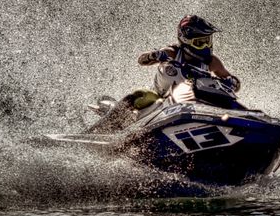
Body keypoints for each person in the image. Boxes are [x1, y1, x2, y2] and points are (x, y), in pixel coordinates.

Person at [87, 15, 240, 133]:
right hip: (162, 101)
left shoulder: (212, 62)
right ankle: (98, 130)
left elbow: (233, 81)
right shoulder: (172, 53)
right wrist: (155, 55)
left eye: (208, 41)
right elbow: (141, 60)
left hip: (196, 104)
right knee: (140, 95)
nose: (206, 46)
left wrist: (231, 82)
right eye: (200, 42)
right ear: (185, 40)